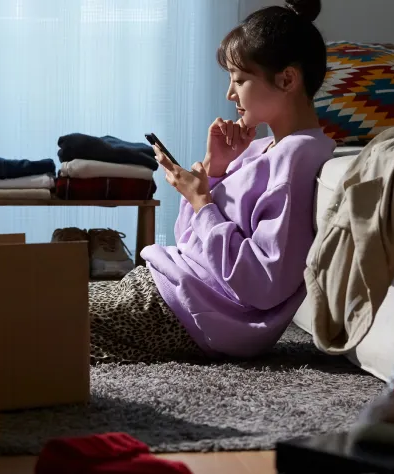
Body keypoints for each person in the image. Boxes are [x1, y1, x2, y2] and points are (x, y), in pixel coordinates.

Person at [90, 0, 336, 364]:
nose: (230, 94)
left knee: (29, 318)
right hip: (170, 290)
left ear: (286, 79)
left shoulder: (298, 158)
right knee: (29, 302)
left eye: (239, 80)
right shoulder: (260, 150)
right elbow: (191, 243)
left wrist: (202, 200)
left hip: (185, 313)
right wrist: (215, 168)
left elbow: (264, 283)